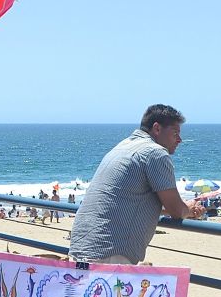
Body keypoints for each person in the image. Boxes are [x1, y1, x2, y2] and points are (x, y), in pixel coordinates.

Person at [68, 104, 196, 264]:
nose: (179, 140)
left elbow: (127, 200)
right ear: (157, 128)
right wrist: (189, 210)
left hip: (82, 247)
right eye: (175, 133)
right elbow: (176, 211)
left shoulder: (121, 147)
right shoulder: (155, 153)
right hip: (110, 252)